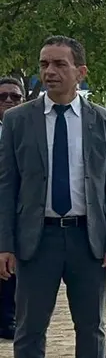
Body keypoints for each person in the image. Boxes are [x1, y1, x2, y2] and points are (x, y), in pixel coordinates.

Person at [0, 36, 106, 358]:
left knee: (91, 325)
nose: (50, 72)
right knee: (29, 327)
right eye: (44, 64)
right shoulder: (18, 120)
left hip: (86, 239)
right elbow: (7, 186)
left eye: (59, 64)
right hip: (36, 241)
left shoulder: (103, 121)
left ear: (80, 71)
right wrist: (4, 243)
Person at [0, 76, 26, 341]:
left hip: (16, 209)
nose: (8, 101)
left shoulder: (26, 129)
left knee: (10, 268)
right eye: (3, 96)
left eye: (15, 97)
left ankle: (8, 320)